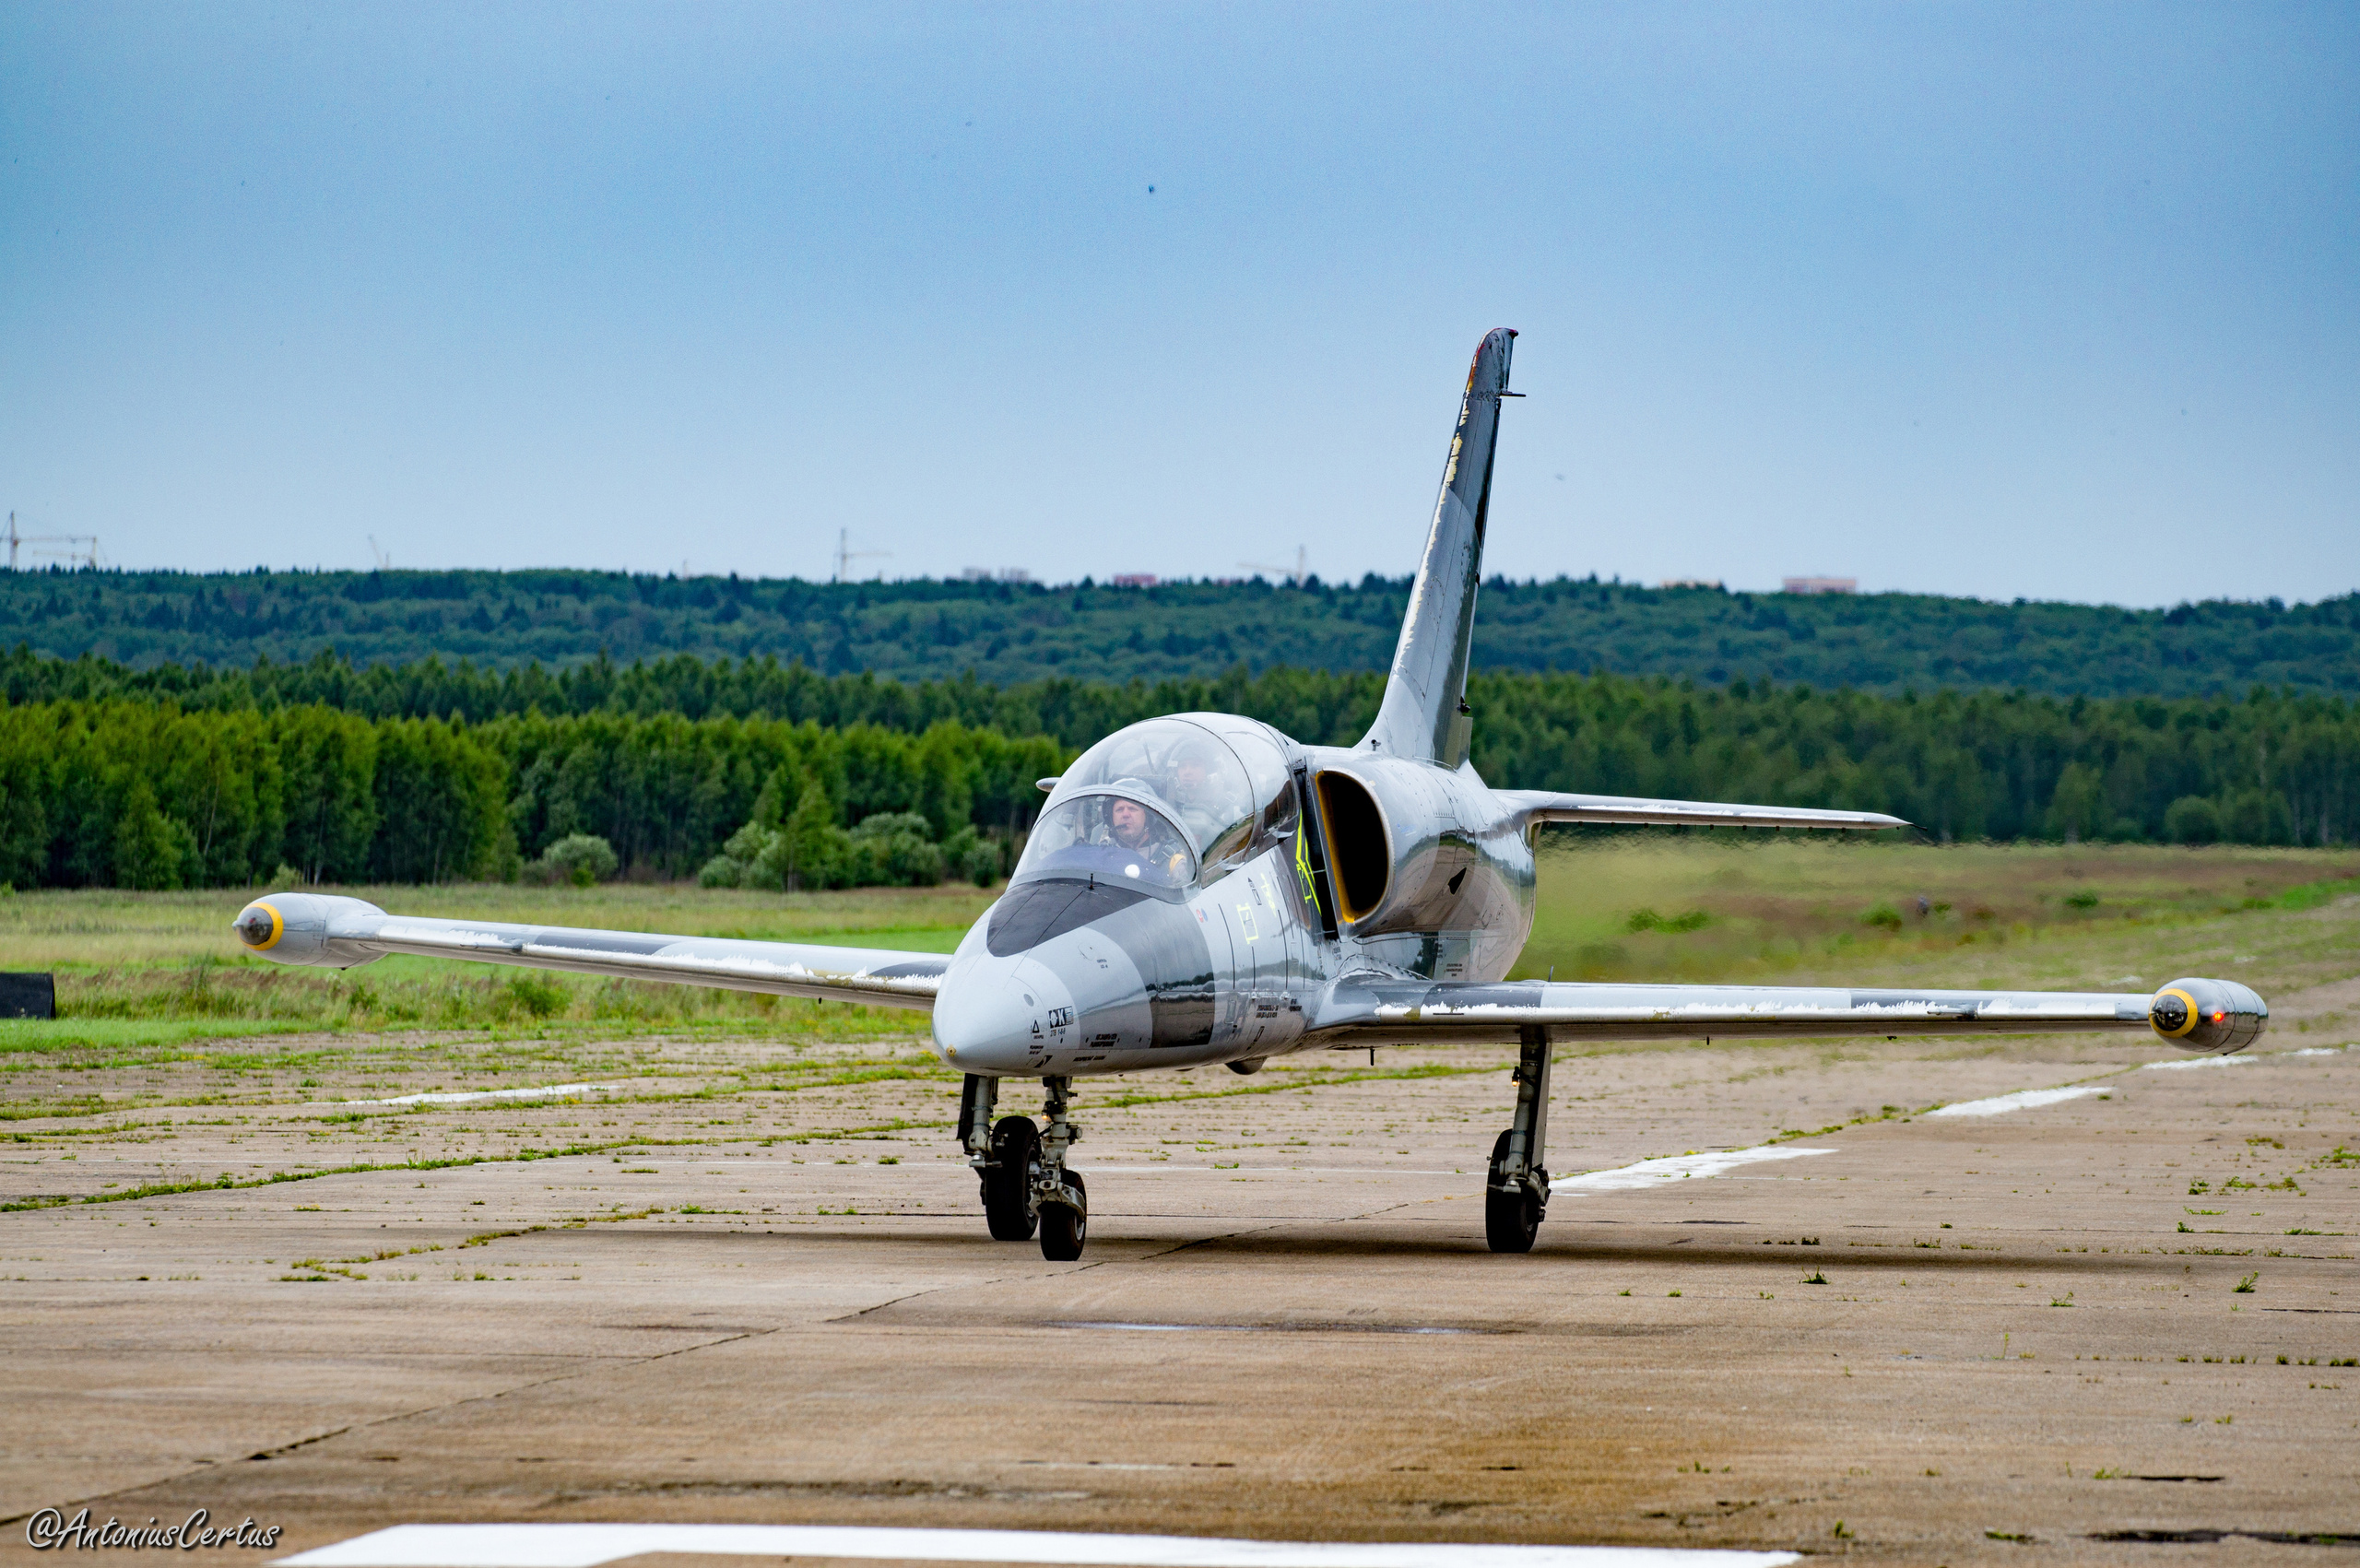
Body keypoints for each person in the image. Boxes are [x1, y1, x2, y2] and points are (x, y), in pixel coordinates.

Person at [1104, 796, 1189, 884]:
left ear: (1148, 816)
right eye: (1119, 810)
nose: (1125, 815)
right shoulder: (1101, 854)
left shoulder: (1173, 862)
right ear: (1111, 818)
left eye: (1132, 809)